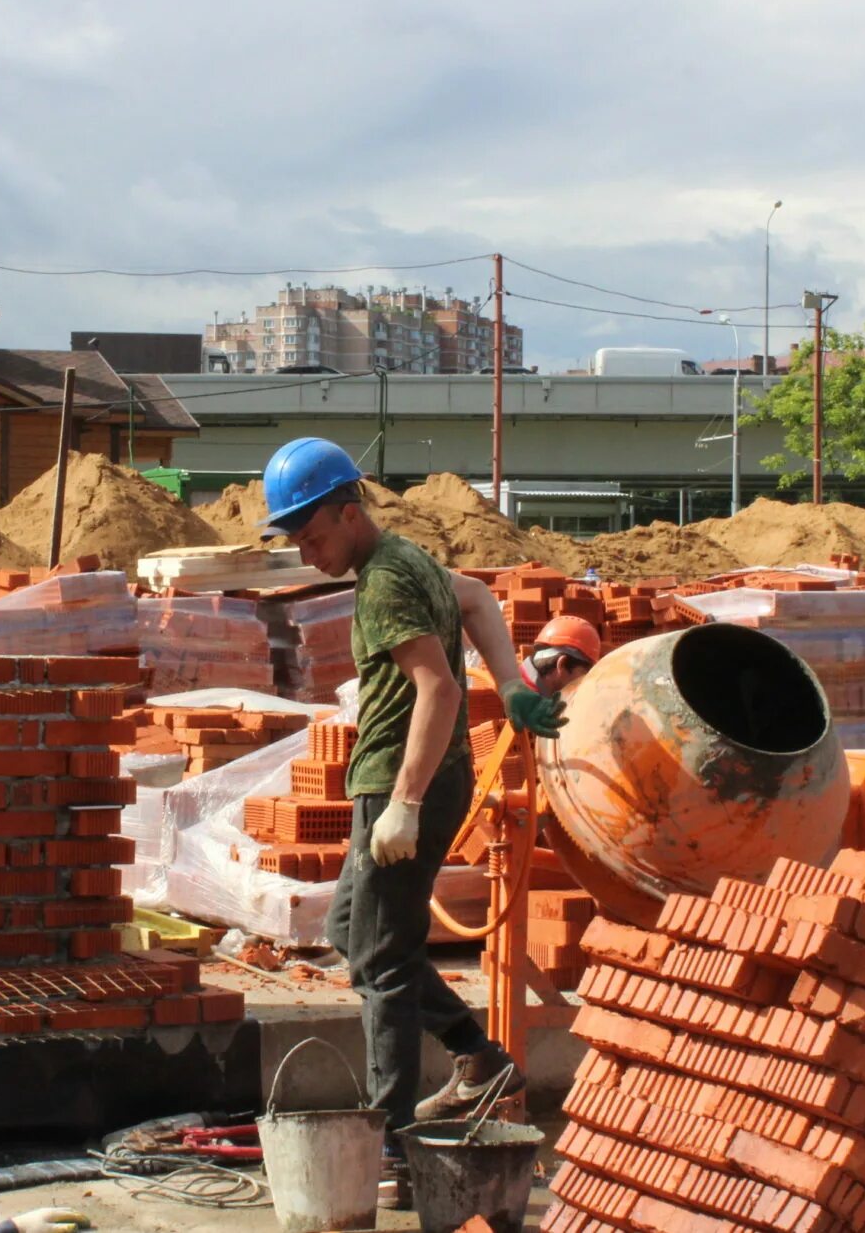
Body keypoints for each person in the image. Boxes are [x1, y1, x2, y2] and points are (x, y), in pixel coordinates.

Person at [262, 437, 565, 1210]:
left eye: (311, 530)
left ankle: (389, 1147)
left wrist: (402, 801)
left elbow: (435, 690)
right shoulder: (407, 561)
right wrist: (512, 682)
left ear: (347, 509)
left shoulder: (385, 583)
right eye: (293, 535)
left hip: (406, 783)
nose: (305, 547)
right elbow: (478, 601)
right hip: (419, 780)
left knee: (385, 967)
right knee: (352, 934)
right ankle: (478, 1055)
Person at [521, 614, 602, 697]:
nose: (584, 683)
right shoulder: (525, 703)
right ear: (561, 664)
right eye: (584, 674)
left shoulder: (521, 686)